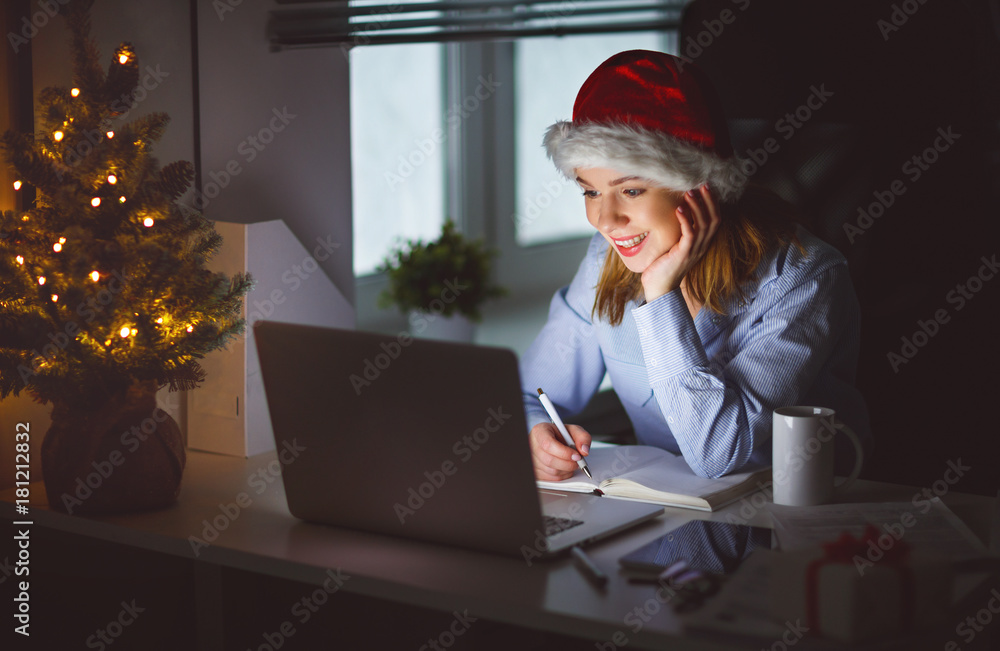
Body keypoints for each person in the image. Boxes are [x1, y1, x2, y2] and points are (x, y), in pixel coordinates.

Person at [520, 50, 871, 480]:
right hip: (668, 519)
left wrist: (660, 293)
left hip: (785, 523)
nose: (605, 221)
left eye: (630, 191)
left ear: (698, 189)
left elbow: (716, 454)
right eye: (589, 192)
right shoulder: (605, 256)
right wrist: (535, 434)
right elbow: (529, 392)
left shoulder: (804, 277)